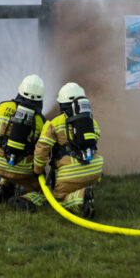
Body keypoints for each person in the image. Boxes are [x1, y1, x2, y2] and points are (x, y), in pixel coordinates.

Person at [33, 82, 103, 218]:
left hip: (69, 174)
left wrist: (37, 169)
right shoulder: (91, 121)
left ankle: (80, 198)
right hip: (94, 170)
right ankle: (83, 192)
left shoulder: (54, 122)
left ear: (62, 103)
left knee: (56, 201)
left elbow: (42, 148)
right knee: (75, 183)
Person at [0, 74, 47, 212]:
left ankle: (4, 186)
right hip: (22, 170)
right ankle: (26, 200)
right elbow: (41, 150)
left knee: (8, 165)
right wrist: (38, 172)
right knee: (42, 191)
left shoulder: (2, 107)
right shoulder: (40, 121)